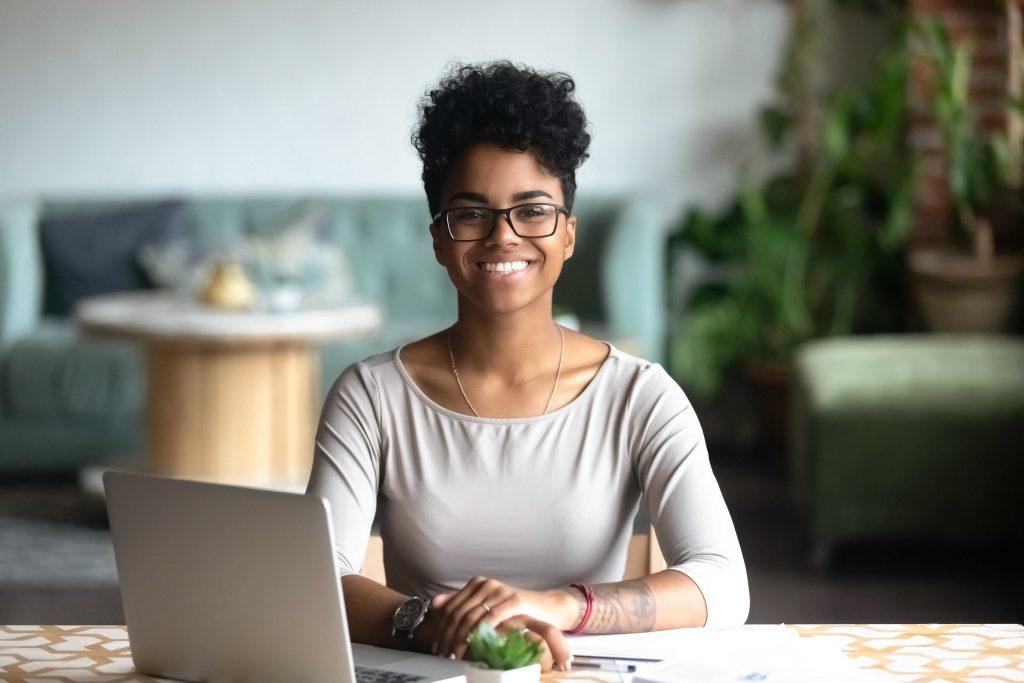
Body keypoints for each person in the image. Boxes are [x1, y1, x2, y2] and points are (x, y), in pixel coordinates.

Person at [306, 61, 749, 673]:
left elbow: (723, 583)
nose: (503, 237)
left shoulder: (641, 396)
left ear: (568, 233)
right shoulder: (371, 396)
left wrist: (557, 607)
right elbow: (317, 575)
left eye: (533, 209)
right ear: (438, 238)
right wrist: (430, 622)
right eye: (471, 213)